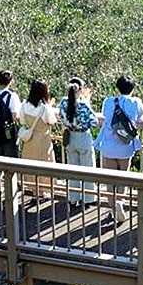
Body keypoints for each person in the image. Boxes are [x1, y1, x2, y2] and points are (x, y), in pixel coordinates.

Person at [94, 75, 143, 223]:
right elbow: (140, 117)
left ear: (117, 87)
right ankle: (120, 203)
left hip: (108, 146)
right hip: (125, 146)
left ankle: (112, 209)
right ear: (133, 88)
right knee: (123, 178)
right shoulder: (136, 102)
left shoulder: (108, 101)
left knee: (110, 180)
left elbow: (104, 115)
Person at [58, 77, 98, 206]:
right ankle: (88, 199)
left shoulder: (63, 102)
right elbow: (94, 121)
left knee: (72, 168)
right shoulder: (83, 104)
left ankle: (73, 197)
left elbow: (61, 118)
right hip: (83, 137)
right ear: (80, 90)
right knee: (87, 168)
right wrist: (87, 101)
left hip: (70, 136)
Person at [19, 79, 58, 192]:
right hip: (42, 140)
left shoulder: (24, 105)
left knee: (30, 165)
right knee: (45, 165)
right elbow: (51, 121)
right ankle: (43, 190)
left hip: (29, 140)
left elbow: (22, 121)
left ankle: (33, 189)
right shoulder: (44, 108)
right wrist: (50, 105)